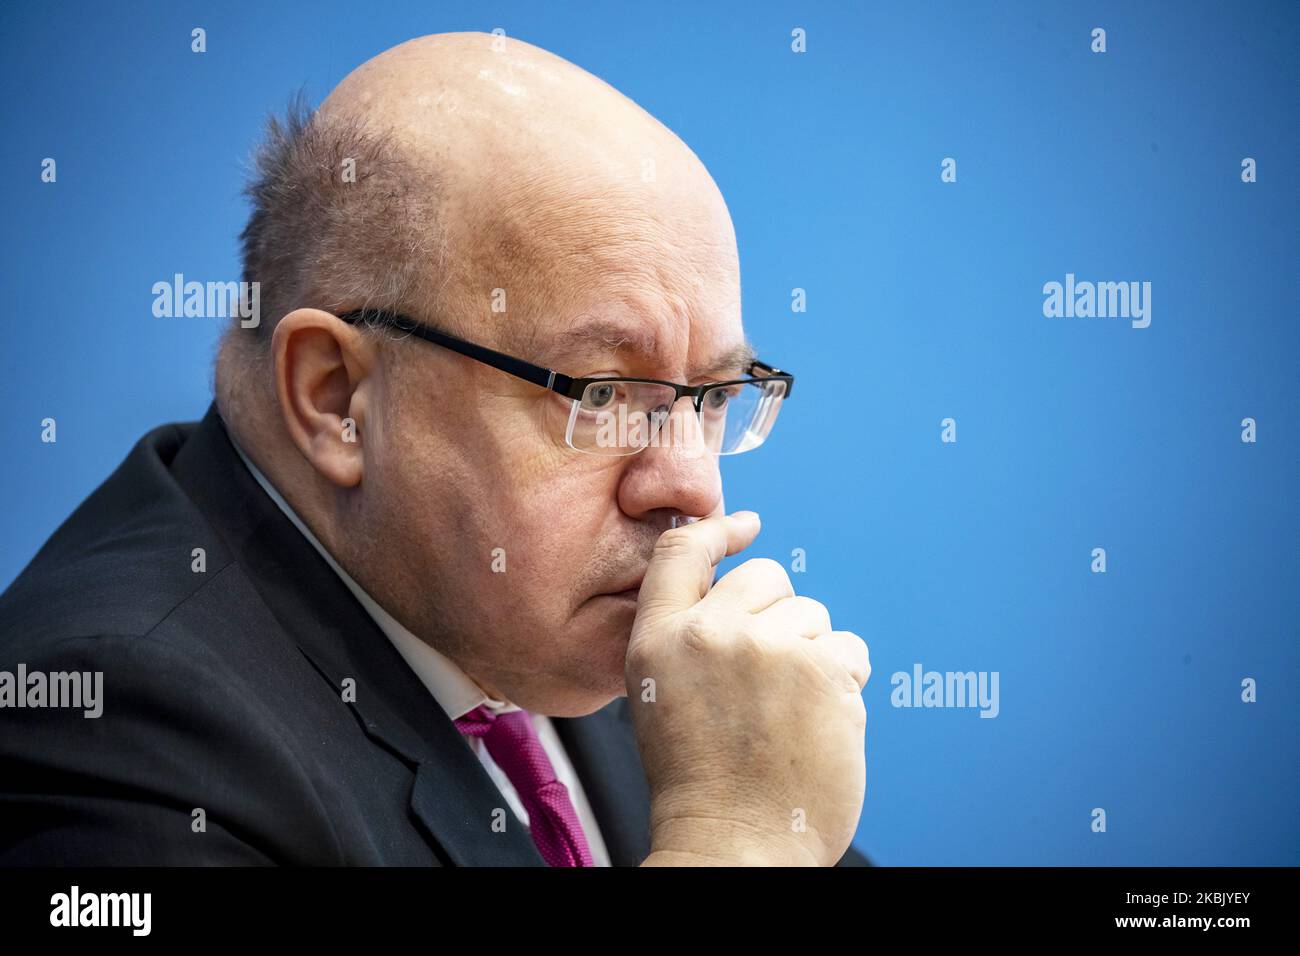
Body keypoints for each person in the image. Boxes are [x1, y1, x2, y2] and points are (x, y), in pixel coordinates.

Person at [0, 32, 871, 866]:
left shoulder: (592, 643)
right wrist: (733, 843)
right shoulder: (112, 729)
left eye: (713, 398)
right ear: (337, 398)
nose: (689, 489)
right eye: (601, 394)